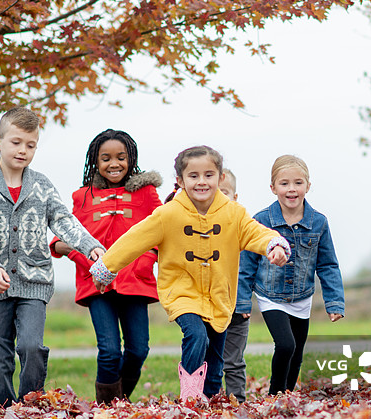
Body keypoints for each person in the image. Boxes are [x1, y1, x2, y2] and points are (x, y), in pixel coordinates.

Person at [89, 146, 290, 401]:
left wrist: (275, 244)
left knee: (216, 359)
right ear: (180, 181)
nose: (202, 181)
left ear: (220, 178)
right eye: (193, 176)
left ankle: (211, 402)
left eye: (209, 174)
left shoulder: (233, 214)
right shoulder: (168, 214)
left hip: (219, 294)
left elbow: (256, 232)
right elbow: (134, 240)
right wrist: (107, 266)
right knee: (197, 336)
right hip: (181, 291)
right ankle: (190, 396)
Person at [0, 107, 105, 407]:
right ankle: (1, 416)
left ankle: (30, 407)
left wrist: (88, 245)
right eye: (16, 142)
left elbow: (63, 219)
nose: (23, 150)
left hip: (35, 281)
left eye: (30, 145)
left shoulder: (41, 185)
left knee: (30, 346)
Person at [50, 129, 162, 404]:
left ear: (131, 158)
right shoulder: (83, 196)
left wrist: (145, 261)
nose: (114, 164)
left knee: (138, 350)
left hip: (135, 281)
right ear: (95, 161)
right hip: (96, 284)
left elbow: (163, 230)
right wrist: (89, 262)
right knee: (110, 351)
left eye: (121, 157)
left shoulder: (147, 193)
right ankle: (109, 407)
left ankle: (117, 402)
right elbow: (65, 238)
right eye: (106, 158)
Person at [238, 154, 345, 396]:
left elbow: (328, 265)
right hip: (270, 295)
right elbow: (246, 265)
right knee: (286, 345)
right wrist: (243, 301)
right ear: (273, 187)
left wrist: (334, 301)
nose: (291, 189)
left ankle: (287, 396)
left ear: (308, 185)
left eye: (298, 182)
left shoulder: (319, 222)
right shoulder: (262, 221)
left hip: (302, 297)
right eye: (284, 183)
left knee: (297, 353)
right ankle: (275, 396)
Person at [218, 169, 254, 403]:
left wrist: (244, 301)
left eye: (225, 193)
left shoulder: (242, 228)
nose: (219, 198)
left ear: (235, 197)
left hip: (237, 308)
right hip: (208, 307)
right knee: (204, 357)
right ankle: (199, 399)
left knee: (233, 360)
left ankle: (237, 401)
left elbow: (248, 271)